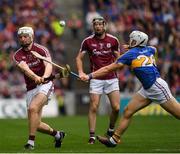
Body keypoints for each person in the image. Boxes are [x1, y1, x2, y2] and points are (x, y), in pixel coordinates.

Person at [81, 30, 180, 147]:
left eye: (132, 40)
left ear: (137, 42)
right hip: (147, 88)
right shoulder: (150, 49)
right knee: (128, 111)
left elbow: (108, 69)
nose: (129, 41)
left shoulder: (131, 54)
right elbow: (154, 49)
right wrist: (135, 48)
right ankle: (113, 140)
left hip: (157, 87)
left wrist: (90, 75)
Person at [13, 26, 65, 150]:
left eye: (25, 36)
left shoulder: (41, 50)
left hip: (45, 85)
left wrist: (45, 77)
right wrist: (35, 76)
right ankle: (58, 135)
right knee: (35, 123)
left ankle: (31, 142)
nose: (23, 39)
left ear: (31, 37)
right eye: (20, 37)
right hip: (31, 88)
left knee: (32, 108)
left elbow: (48, 66)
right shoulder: (17, 55)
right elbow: (24, 68)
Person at [76, 16, 121, 144]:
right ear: (93, 26)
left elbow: (119, 60)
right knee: (94, 106)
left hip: (112, 78)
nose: (98, 27)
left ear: (104, 25)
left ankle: (111, 130)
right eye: (95, 24)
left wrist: (118, 65)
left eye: (100, 24)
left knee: (116, 108)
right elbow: (79, 58)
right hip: (96, 79)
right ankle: (91, 136)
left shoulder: (113, 40)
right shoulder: (87, 41)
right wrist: (80, 72)